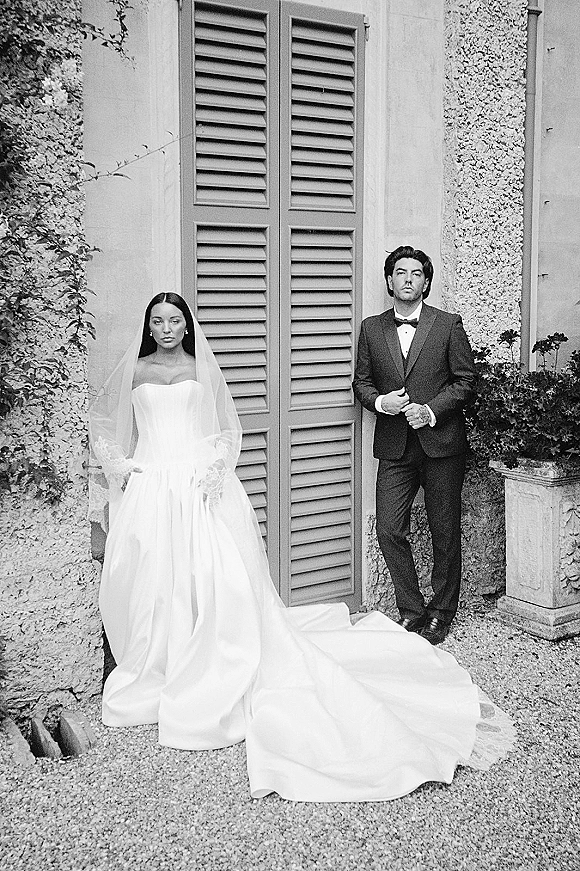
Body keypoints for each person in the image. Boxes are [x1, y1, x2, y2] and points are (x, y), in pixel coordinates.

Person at [88, 291, 513, 803]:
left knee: (216, 577)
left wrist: (218, 465)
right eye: (157, 320)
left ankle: (213, 663)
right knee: (155, 577)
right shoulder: (135, 371)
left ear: (186, 324)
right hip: (154, 483)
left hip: (200, 482)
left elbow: (226, 428)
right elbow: (107, 427)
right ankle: (161, 661)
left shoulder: (204, 367)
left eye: (174, 319)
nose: (166, 328)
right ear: (148, 325)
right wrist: (121, 466)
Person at [353, 245, 476, 646]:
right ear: (389, 281)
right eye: (400, 272)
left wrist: (431, 410)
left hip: (441, 444)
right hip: (394, 446)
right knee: (389, 529)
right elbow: (362, 382)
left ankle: (443, 611)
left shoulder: (448, 324)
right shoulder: (372, 328)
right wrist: (380, 402)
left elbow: (465, 381)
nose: (408, 279)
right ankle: (412, 609)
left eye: (416, 273)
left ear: (426, 281)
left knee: (444, 531)